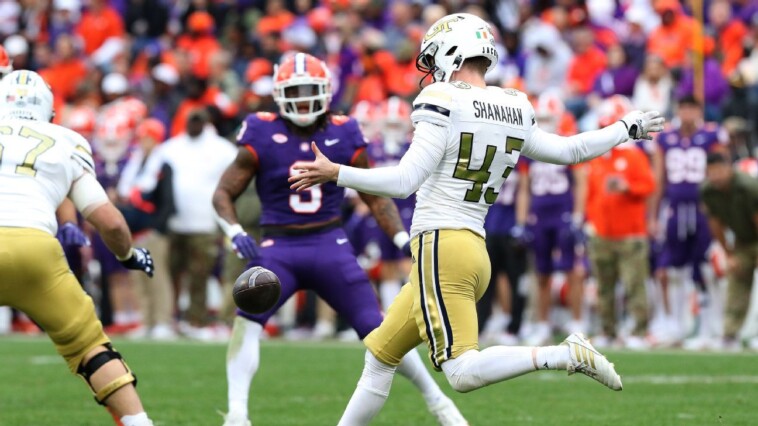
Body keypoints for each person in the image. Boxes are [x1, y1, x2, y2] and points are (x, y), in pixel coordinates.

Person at [289, 14, 664, 424]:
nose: (431, 71)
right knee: (380, 356)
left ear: (452, 51)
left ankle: (563, 353)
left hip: (441, 245)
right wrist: (624, 128)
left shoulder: (444, 101)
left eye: (433, 60)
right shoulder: (514, 104)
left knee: (462, 372)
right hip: (470, 246)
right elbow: (569, 150)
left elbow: (404, 180)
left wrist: (336, 172)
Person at [213, 52, 466, 426]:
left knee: (380, 331)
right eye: (294, 92)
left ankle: (439, 403)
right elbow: (223, 193)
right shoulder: (260, 130)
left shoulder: (345, 130)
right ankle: (237, 414)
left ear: (326, 92)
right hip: (277, 248)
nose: (301, 100)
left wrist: (399, 238)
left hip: (329, 244)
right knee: (246, 318)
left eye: (308, 91)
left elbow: (373, 196)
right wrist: (234, 232)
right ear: (279, 94)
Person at [0, 70, 154, 426]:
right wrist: (128, 255)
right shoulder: (66, 139)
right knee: (90, 349)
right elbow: (111, 222)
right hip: (35, 250)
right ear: (50, 111)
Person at [139, 107, 236, 339]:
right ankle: (170, 319)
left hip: (205, 223)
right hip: (173, 224)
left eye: (198, 121)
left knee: (199, 275)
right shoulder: (171, 148)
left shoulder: (221, 149)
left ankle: (197, 321)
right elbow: (148, 181)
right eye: (190, 121)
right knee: (170, 273)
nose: (194, 125)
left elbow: (237, 179)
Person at [649, 96, 728, 347]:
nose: (687, 113)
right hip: (674, 208)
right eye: (683, 108)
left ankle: (707, 327)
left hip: (701, 208)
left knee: (703, 268)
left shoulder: (711, 136)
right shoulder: (666, 138)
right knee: (672, 268)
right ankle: (675, 325)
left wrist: (718, 208)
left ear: (699, 111)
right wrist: (652, 216)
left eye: (692, 108)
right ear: (677, 110)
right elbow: (659, 179)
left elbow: (722, 172)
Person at [583, 96, 656, 349]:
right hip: (601, 232)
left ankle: (639, 330)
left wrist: (627, 187)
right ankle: (608, 330)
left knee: (634, 284)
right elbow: (591, 195)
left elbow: (649, 186)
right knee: (604, 286)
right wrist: (589, 221)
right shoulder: (597, 157)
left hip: (630, 233)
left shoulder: (634, 156)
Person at [700, 152, 758, 349]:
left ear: (729, 168)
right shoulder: (708, 191)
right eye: (711, 172)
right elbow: (715, 223)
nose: (715, 176)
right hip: (742, 240)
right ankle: (730, 335)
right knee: (737, 281)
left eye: (719, 171)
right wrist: (729, 253)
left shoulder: (748, 187)